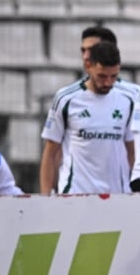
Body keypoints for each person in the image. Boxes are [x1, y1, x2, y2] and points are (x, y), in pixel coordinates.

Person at [40, 41, 135, 194]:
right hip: (75, 194)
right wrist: (45, 199)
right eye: (102, 76)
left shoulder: (128, 100)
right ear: (88, 66)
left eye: (114, 76)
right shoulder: (66, 99)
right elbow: (50, 152)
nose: (108, 82)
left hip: (117, 195)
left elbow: (132, 150)